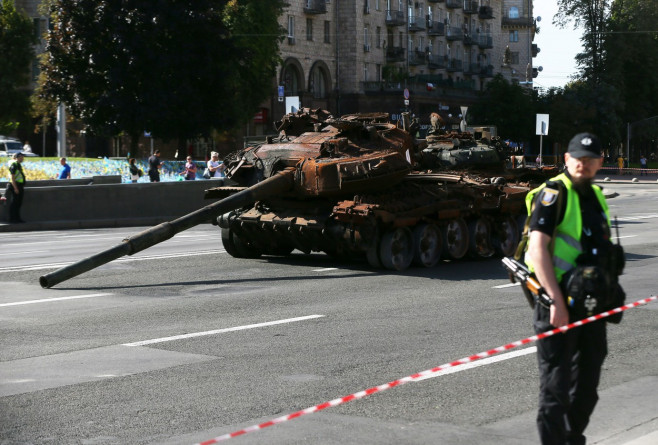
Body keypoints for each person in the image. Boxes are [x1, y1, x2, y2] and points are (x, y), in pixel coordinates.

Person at [523, 132, 624, 445]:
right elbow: (538, 249)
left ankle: (571, 437)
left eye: (591, 159)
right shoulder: (554, 193)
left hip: (592, 305)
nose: (584, 164)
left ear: (599, 163)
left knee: (588, 385)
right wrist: (556, 301)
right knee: (556, 386)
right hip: (557, 305)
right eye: (579, 158)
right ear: (566, 159)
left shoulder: (594, 195)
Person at [7, 153, 26, 223]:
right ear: (18, 157)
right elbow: (12, 177)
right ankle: (12, 219)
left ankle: (17, 218)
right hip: (16, 186)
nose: (23, 159)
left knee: (18, 203)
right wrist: (15, 188)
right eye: (22, 157)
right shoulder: (14, 164)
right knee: (14, 203)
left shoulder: (18, 164)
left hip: (19, 186)